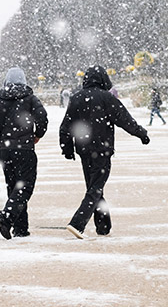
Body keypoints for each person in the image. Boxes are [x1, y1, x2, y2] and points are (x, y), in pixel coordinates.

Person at [60, 65, 150, 239]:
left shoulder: (77, 98)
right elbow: (124, 119)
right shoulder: (106, 98)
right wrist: (141, 133)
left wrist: (67, 148)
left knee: (94, 187)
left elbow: (65, 126)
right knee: (95, 188)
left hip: (84, 150)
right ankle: (78, 223)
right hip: (102, 149)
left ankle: (103, 226)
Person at [0, 67, 48, 240]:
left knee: (13, 187)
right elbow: (42, 117)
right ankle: (7, 217)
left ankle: (21, 228)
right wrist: (37, 135)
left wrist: (2, 139)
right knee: (25, 186)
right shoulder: (30, 99)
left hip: (5, 151)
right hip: (25, 150)